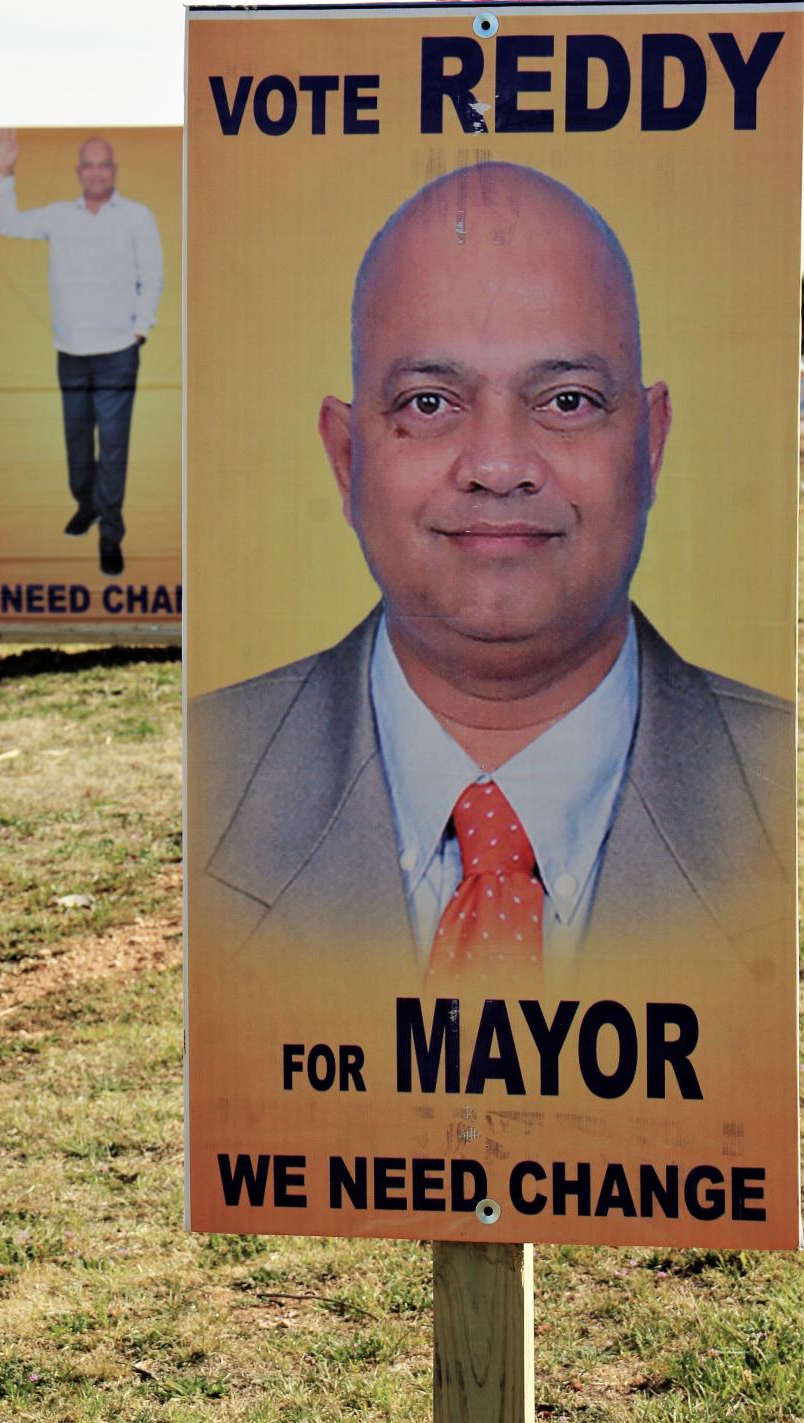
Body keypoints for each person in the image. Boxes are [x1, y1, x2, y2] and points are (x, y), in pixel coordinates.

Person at [188, 162, 793, 986]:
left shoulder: (776, 778)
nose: (500, 465)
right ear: (345, 457)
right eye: (430, 403)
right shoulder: (216, 769)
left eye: (569, 400)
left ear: (650, 449)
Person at [0, 130, 164, 577]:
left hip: (118, 352)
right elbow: (8, 223)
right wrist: (5, 171)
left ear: (114, 171)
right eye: (88, 165)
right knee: (76, 440)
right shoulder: (58, 217)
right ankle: (85, 505)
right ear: (78, 172)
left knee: (114, 446)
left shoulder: (137, 217)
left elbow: (153, 275)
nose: (97, 172)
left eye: (104, 164)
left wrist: (140, 330)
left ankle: (110, 533)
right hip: (70, 351)